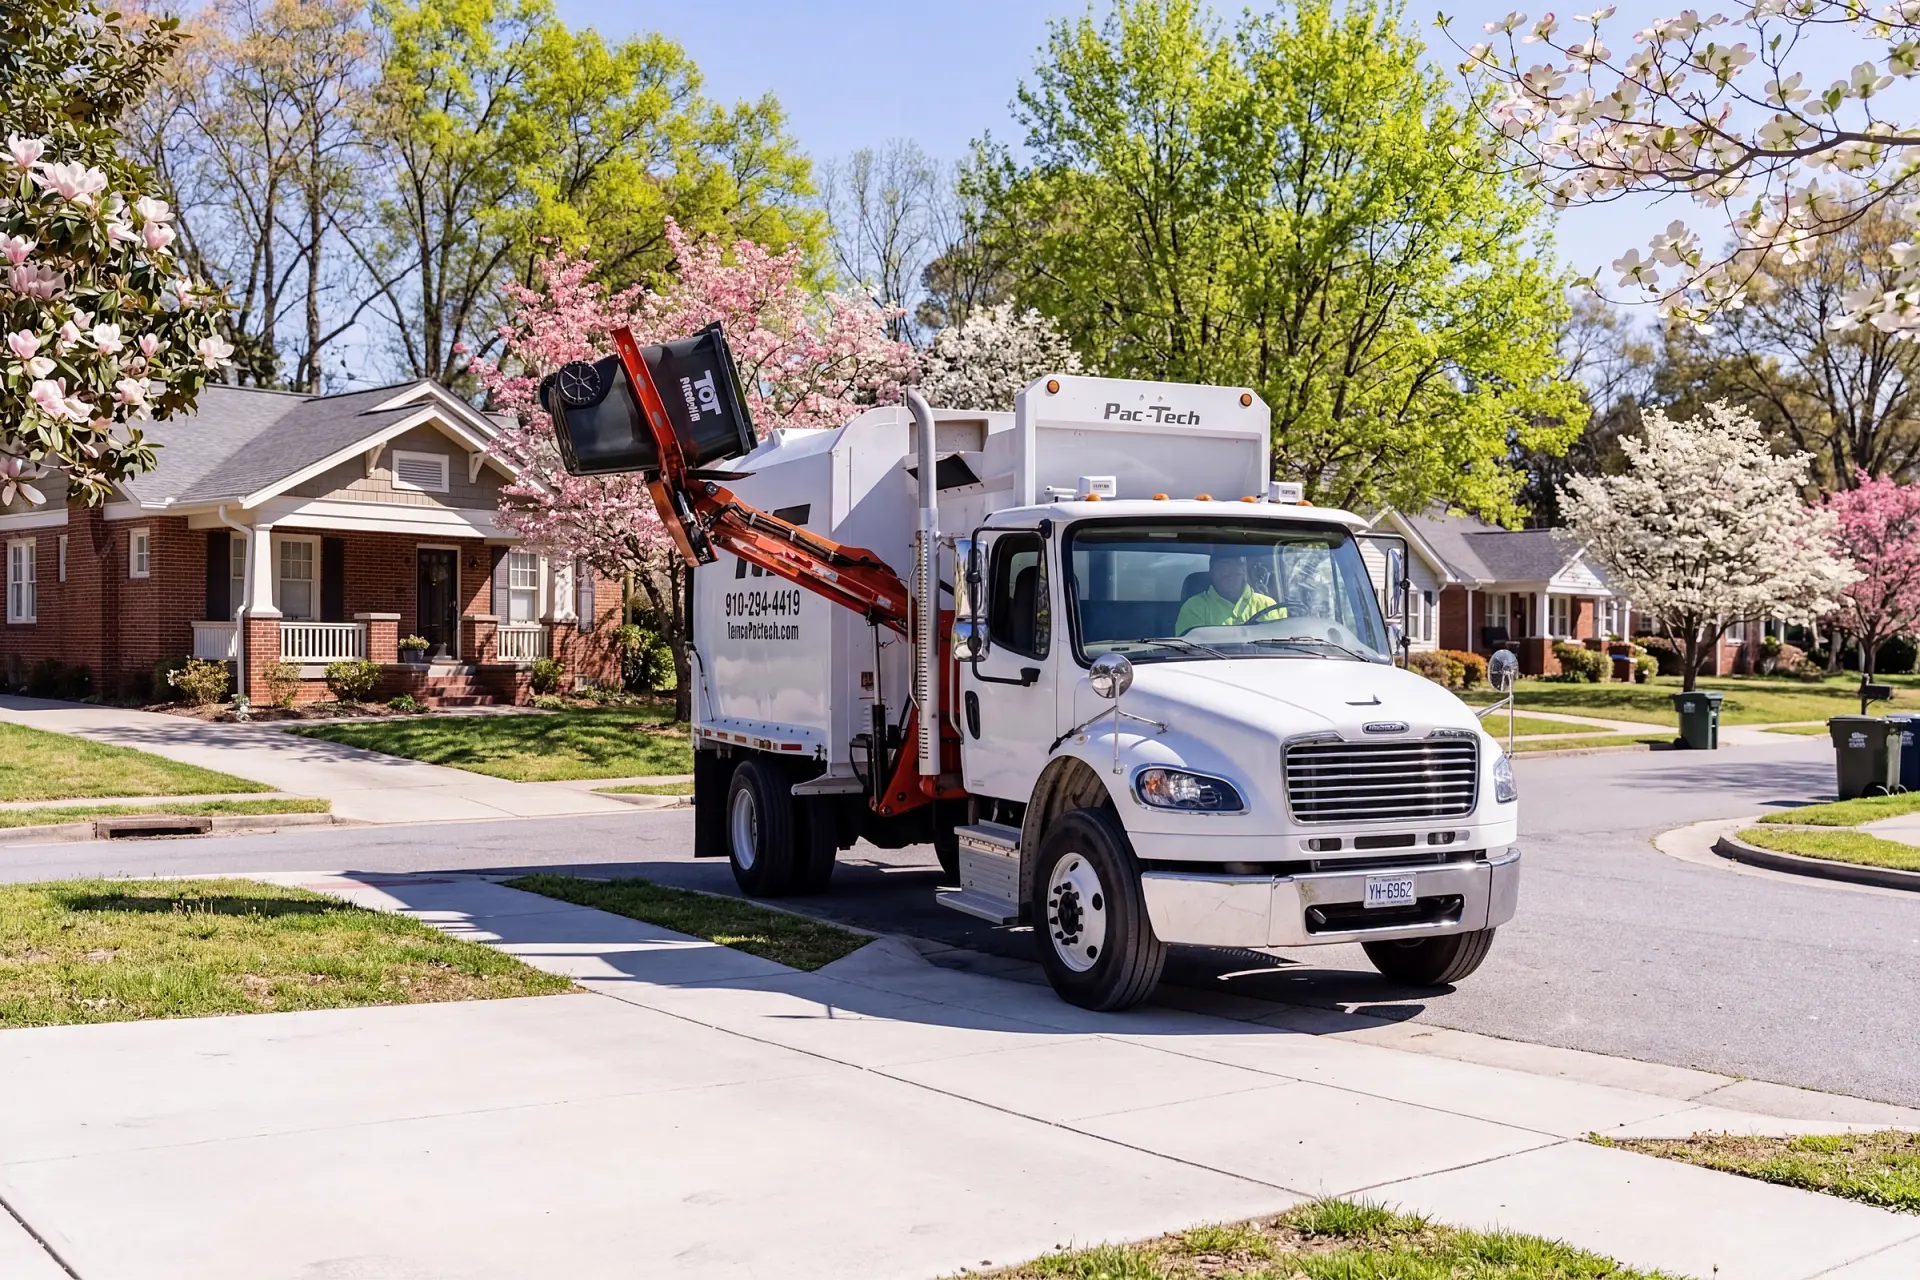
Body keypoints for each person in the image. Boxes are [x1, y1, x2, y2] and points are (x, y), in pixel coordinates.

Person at [1175, 550, 1283, 634]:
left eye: (1235, 566)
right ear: (1211, 572)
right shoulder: (1194, 607)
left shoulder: (1268, 605)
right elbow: (1189, 651)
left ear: (1243, 570)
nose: (1228, 572)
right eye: (1222, 566)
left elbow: (1282, 645)